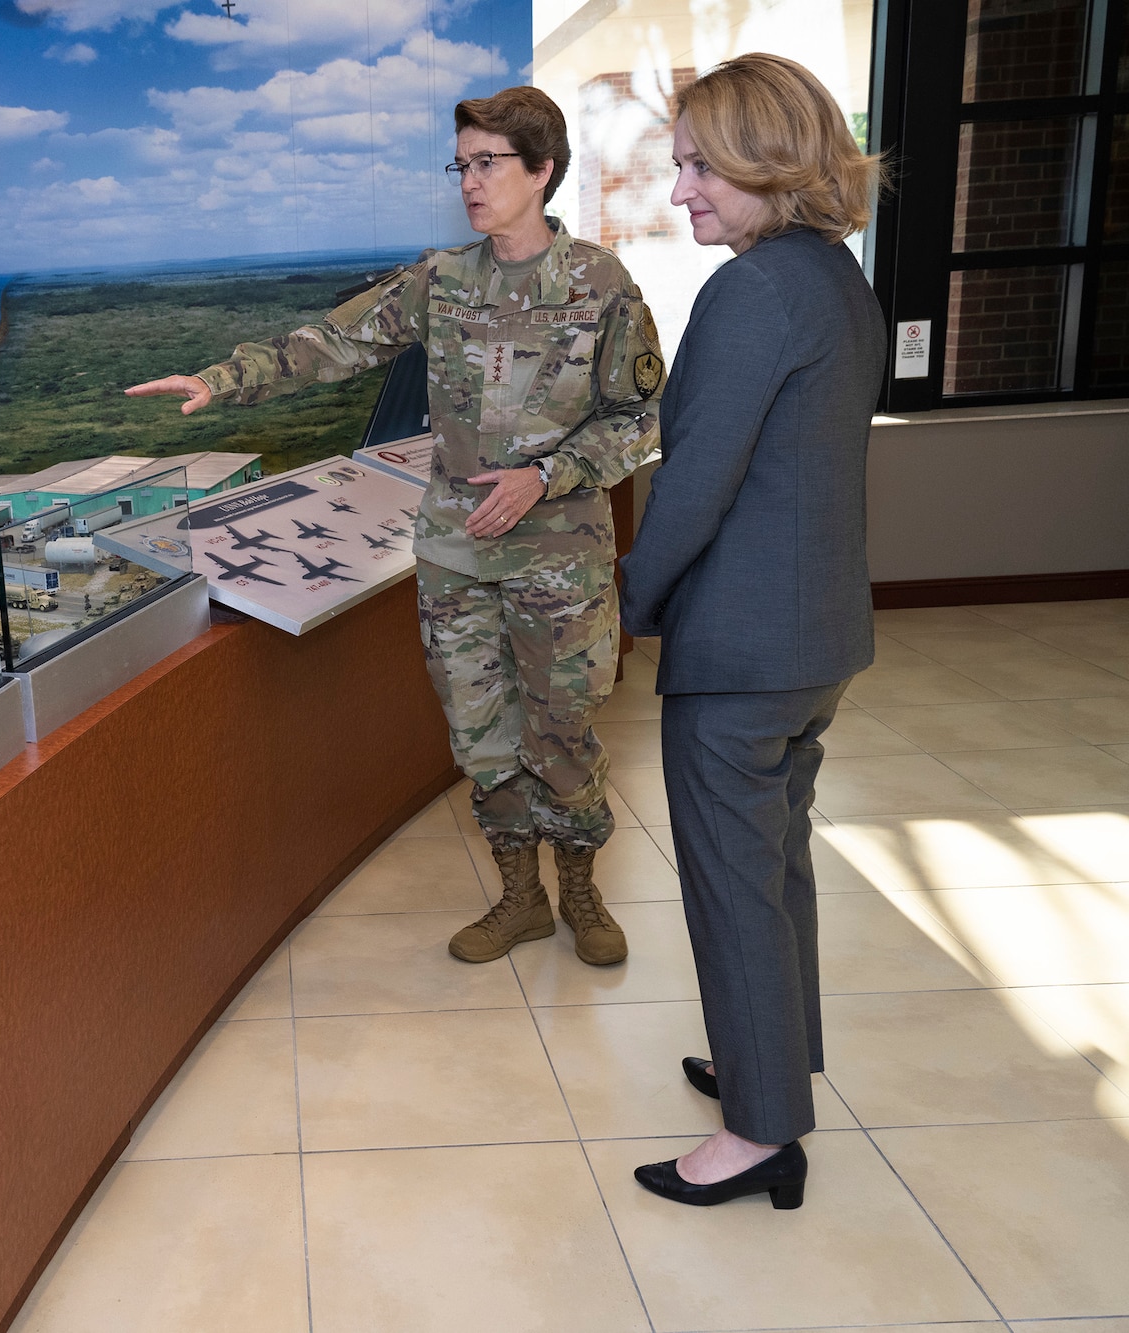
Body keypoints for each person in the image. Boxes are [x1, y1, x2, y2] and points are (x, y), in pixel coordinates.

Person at [127, 87, 663, 967]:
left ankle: (579, 888)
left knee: (561, 728)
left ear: (543, 171)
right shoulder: (441, 281)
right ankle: (520, 896)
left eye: (489, 162)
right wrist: (221, 380)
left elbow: (640, 417)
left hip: (559, 559)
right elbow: (327, 345)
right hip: (455, 554)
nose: (470, 181)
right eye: (462, 164)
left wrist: (546, 475)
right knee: (482, 732)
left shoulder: (600, 286)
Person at [618, 54, 887, 1209]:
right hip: (814, 634)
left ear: (764, 159)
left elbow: (695, 485)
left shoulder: (749, 292)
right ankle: (765, 1063)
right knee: (773, 867)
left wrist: (625, 607)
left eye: (696, 167)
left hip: (740, 650)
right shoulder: (831, 276)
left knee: (733, 881)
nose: (679, 191)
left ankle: (760, 1131)